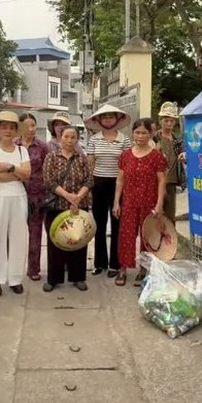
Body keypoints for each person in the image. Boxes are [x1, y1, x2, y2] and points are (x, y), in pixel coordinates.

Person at [113, 118, 168, 287]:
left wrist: (159, 204)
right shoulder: (125, 156)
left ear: (150, 134)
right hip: (129, 202)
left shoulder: (157, 157)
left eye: (144, 133)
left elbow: (161, 182)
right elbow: (120, 180)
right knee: (126, 236)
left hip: (149, 202)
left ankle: (143, 270)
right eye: (137, 132)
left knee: (146, 237)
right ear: (132, 134)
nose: (140, 136)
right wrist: (116, 202)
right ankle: (123, 269)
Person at [0, 111, 31, 296]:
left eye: (12, 127)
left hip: (19, 197)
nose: (8, 131)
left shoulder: (22, 150)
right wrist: (16, 173)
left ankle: (15, 278)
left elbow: (27, 174)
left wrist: (9, 166)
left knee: (19, 237)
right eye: (4, 127)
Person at [42, 125, 93, 292]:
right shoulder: (51, 157)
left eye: (73, 137)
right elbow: (49, 181)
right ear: (60, 138)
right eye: (66, 137)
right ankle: (54, 279)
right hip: (57, 206)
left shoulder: (82, 158)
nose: (70, 140)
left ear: (77, 139)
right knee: (55, 243)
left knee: (77, 241)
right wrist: (68, 196)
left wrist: (78, 197)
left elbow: (89, 180)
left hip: (78, 207)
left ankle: (77, 277)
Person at [84, 104, 132, 278]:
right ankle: (99, 263)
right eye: (104, 117)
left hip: (119, 185)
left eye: (111, 117)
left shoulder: (124, 139)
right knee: (99, 224)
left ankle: (115, 264)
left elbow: (127, 165)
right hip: (98, 184)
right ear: (99, 120)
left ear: (117, 119)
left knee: (117, 225)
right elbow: (90, 165)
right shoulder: (94, 139)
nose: (108, 120)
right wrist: (89, 188)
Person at [15, 112, 50, 282]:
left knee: (35, 233)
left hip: (39, 195)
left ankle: (33, 268)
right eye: (27, 125)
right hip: (16, 193)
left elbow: (48, 171)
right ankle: (13, 269)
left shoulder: (42, 147)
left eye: (33, 125)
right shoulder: (14, 145)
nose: (30, 129)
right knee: (15, 233)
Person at [155, 102, 186, 224]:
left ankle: (169, 242)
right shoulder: (154, 138)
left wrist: (184, 156)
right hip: (155, 181)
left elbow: (184, 153)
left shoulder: (177, 140)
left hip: (171, 182)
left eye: (171, 121)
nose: (168, 123)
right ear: (160, 121)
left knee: (170, 216)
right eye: (166, 120)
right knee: (155, 215)